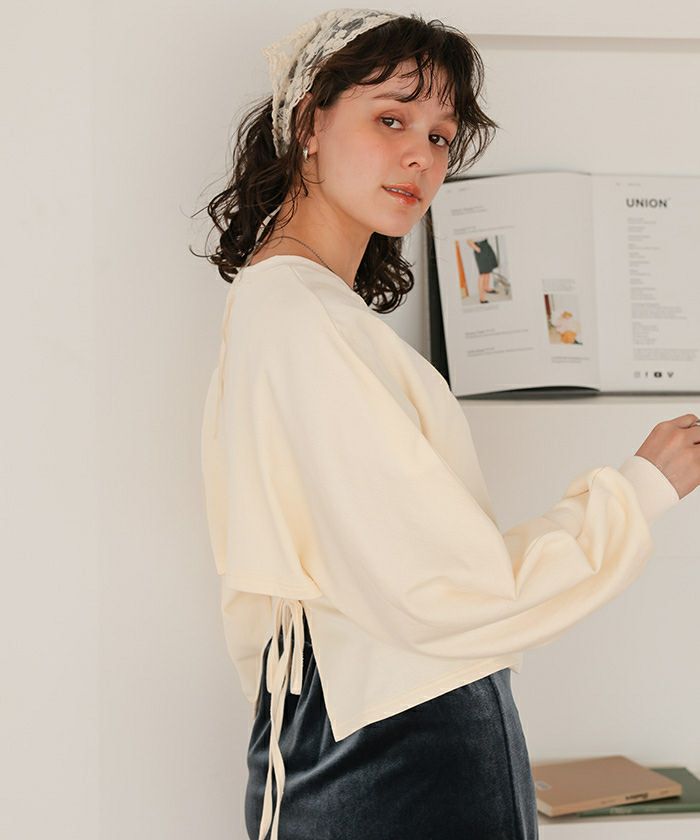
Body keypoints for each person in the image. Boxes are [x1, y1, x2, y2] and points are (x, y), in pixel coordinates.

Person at [196, 9, 700, 840]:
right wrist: (639, 492)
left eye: (439, 136)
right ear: (309, 122)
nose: (421, 158)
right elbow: (443, 591)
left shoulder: (291, 303)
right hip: (399, 743)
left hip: (347, 725)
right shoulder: (300, 315)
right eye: (391, 120)